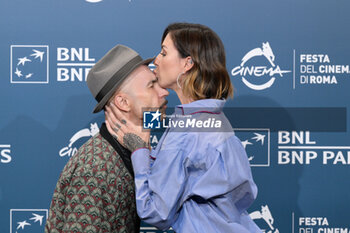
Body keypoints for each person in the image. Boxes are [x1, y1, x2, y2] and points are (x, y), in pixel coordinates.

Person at [106, 23, 262, 233]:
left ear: (187, 63)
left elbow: (156, 213)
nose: (156, 60)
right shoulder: (212, 118)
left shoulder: (186, 133)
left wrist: (139, 149)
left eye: (163, 52)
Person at [45, 44, 168, 233]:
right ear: (123, 102)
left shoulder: (131, 151)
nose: (164, 92)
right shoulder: (96, 168)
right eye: (152, 85)